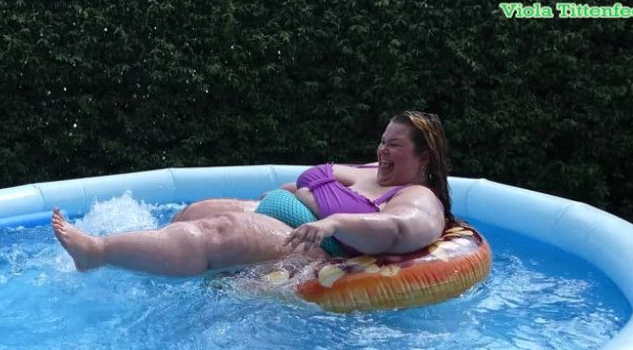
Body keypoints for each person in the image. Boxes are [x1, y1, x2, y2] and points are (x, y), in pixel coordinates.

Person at [52, 110, 453, 276]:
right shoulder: (373, 171)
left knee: (218, 232)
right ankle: (142, 259)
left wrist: (333, 222)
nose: (383, 150)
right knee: (194, 213)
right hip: (277, 212)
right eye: (383, 141)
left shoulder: (419, 197)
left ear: (425, 158)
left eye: (395, 145)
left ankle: (98, 253)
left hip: (313, 243)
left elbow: (401, 231)